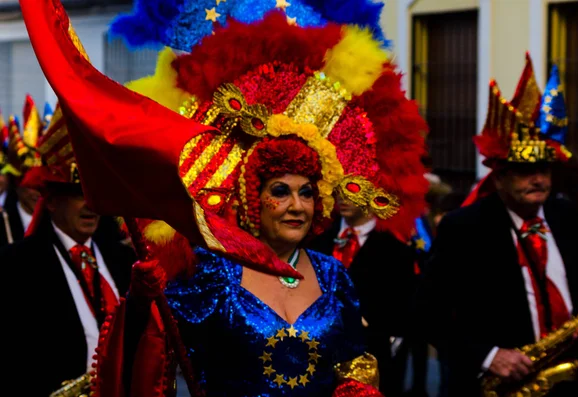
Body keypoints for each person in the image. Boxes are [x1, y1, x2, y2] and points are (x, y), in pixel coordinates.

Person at [21, 0, 428, 395]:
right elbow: (149, 362)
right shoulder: (211, 275)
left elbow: (354, 361)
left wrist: (354, 390)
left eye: (307, 193)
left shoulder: (333, 275)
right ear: (253, 200)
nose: (297, 206)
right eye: (280, 192)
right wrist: (142, 303)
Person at [416, 56, 578, 396]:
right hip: (498, 386)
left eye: (545, 170)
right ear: (499, 178)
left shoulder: (566, 215)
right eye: (525, 171)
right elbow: (428, 312)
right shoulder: (464, 227)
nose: (539, 179)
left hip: (569, 381)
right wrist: (488, 356)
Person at [0, 104, 137, 396]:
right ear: (49, 201)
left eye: (95, 195)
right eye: (78, 195)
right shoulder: (15, 265)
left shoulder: (124, 260)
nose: (90, 205)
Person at [310, 195, 418, 396]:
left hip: (373, 359)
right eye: (339, 189)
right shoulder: (316, 239)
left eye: (353, 189)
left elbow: (403, 311)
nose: (343, 198)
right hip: (317, 359)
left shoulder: (397, 250)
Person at [0, 96, 43, 246]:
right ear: (18, 184)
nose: (39, 192)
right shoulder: (3, 221)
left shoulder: (59, 223)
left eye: (43, 185)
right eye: (32, 185)